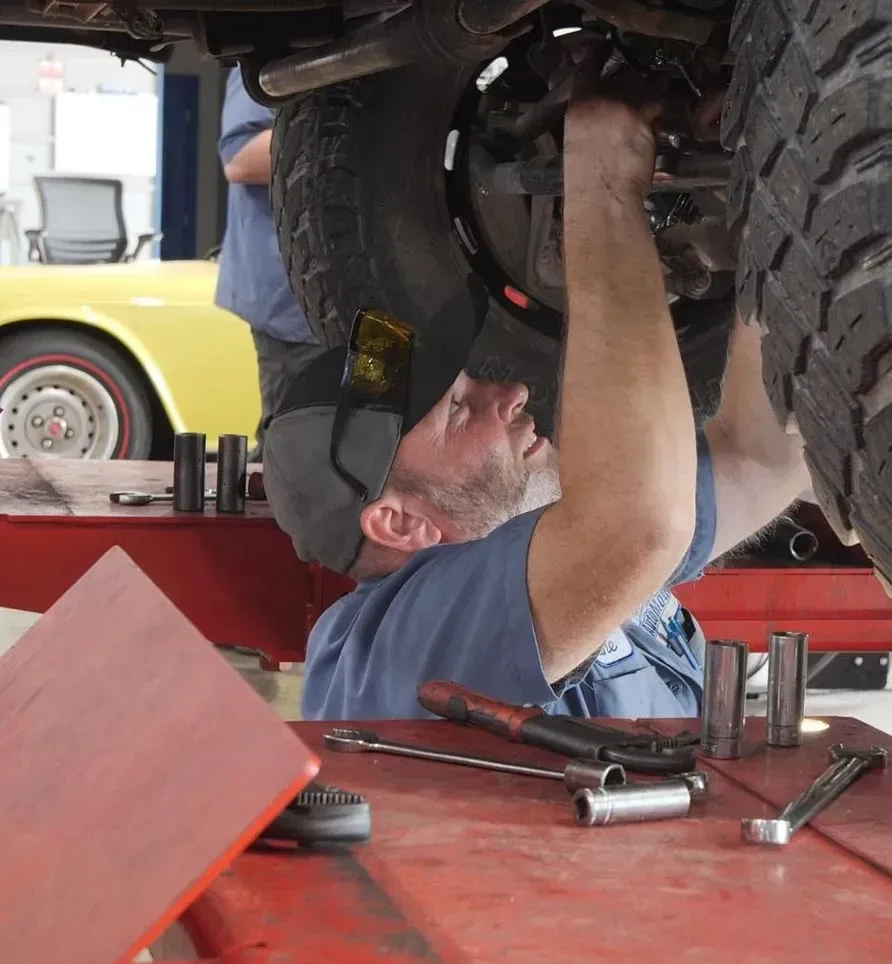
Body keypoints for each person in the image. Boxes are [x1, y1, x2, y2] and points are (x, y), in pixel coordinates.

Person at [261, 96, 807, 721]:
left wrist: (784, 196)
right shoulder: (401, 638)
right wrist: (602, 191)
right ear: (399, 524)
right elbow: (641, 522)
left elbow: (762, 454)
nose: (512, 393)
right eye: (460, 411)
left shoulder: (550, 547)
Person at [216, 67, 322, 439]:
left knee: (362, 441)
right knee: (294, 442)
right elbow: (240, 160)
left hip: (359, 301)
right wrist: (345, 135)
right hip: (290, 304)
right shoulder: (271, 64)